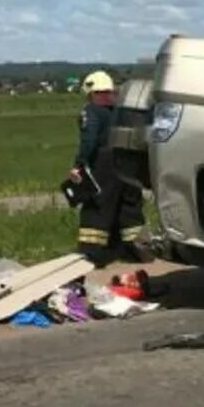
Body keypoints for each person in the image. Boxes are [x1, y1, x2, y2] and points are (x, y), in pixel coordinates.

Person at [68, 71, 149, 266]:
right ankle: (135, 250)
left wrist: (80, 164)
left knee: (97, 205)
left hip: (104, 163)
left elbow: (89, 140)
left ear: (91, 92)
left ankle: (92, 254)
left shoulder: (91, 111)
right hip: (129, 161)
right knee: (129, 207)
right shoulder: (122, 111)